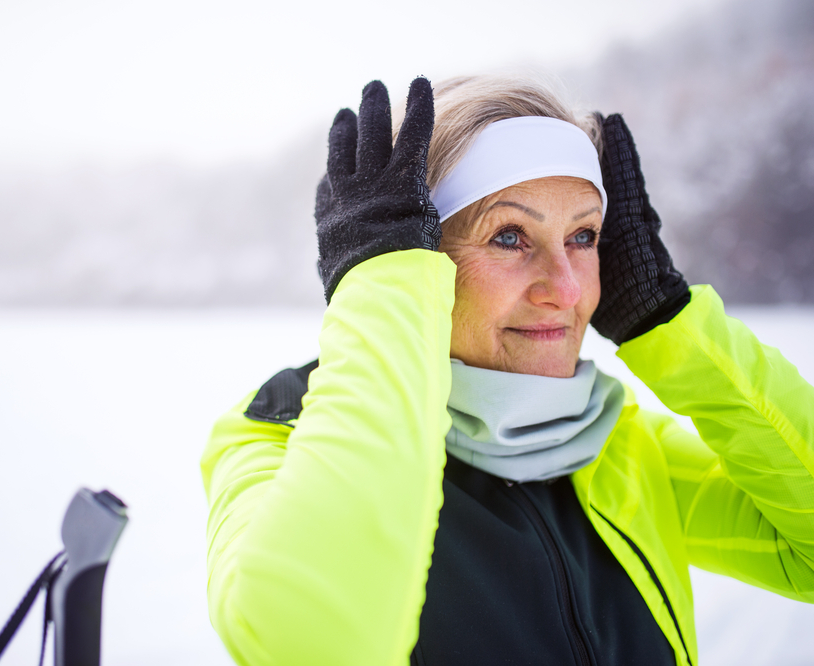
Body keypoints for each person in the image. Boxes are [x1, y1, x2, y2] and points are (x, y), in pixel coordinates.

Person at [199, 75, 814, 666]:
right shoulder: (278, 436)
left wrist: (666, 321)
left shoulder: (616, 448)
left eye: (584, 236)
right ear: (413, 256)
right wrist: (385, 295)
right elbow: (307, 644)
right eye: (509, 237)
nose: (566, 288)